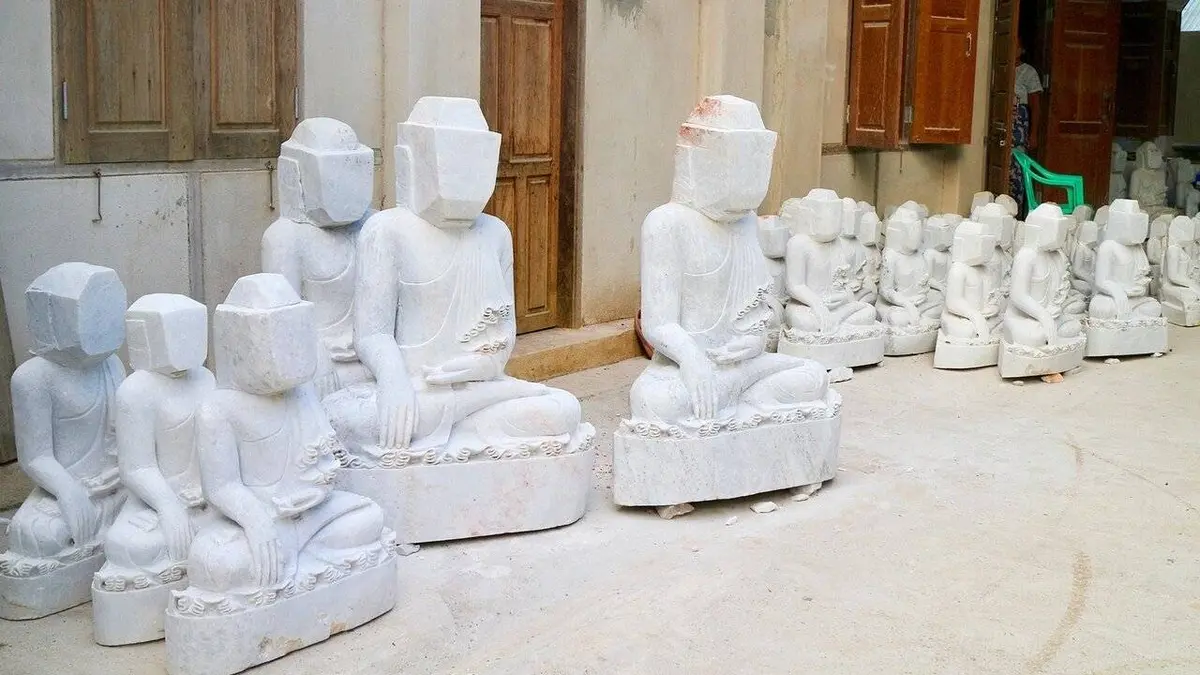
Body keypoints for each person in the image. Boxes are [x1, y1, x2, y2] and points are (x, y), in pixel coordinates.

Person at [1010, 38, 1044, 214]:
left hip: (1019, 128)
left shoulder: (1028, 72)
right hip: (1001, 127)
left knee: (1017, 170)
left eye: (1016, 45)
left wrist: (1033, 134)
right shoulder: (1000, 68)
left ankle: (1016, 215)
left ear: (1022, 50)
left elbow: (1035, 107)